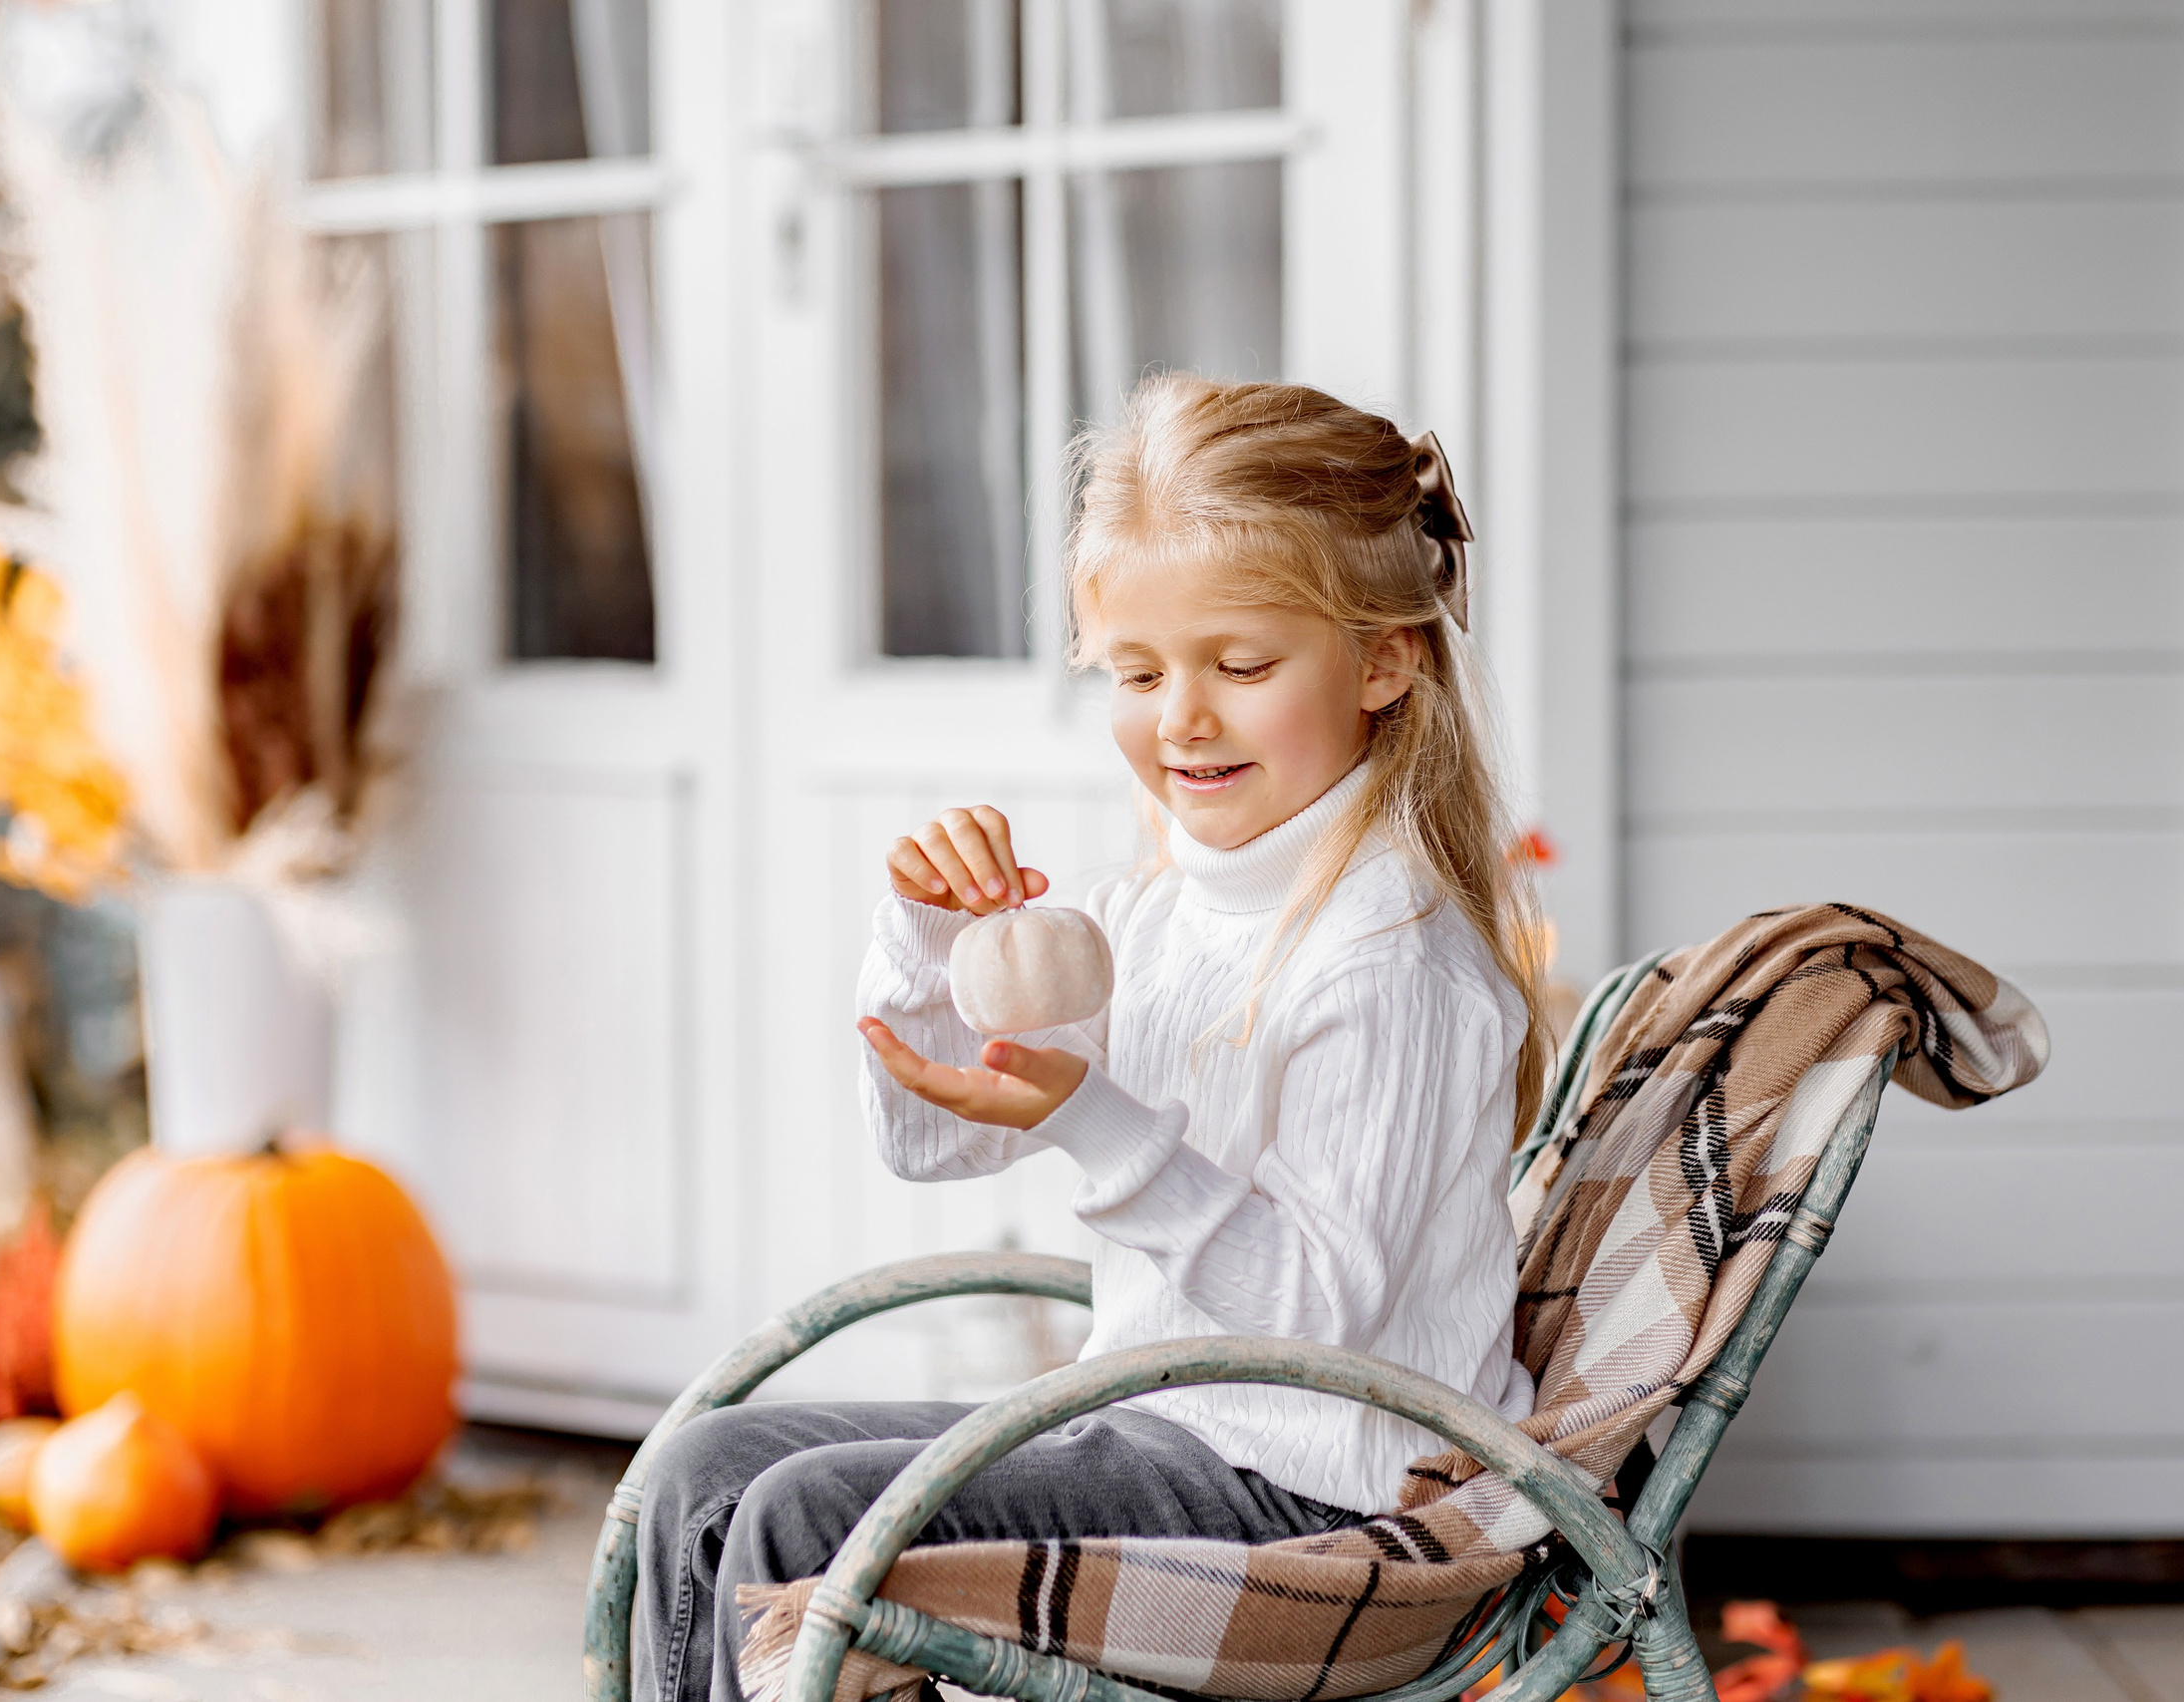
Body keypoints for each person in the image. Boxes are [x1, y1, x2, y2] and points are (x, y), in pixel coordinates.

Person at [632, 375, 1551, 1702]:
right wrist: (929, 947)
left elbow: (1319, 1313)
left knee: (796, 1520)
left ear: (1385, 659)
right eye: (1135, 671)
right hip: (1158, 1433)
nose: (1180, 715)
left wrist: (1092, 1122)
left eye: (1239, 665)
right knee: (703, 1475)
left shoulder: (1394, 960)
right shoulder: (1162, 911)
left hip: (1318, 1500)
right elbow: (932, 1137)